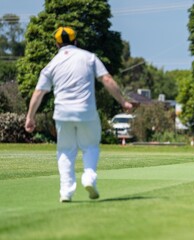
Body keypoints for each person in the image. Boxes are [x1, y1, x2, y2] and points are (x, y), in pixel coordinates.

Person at [25, 26, 133, 202]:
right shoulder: (89, 57)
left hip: (62, 113)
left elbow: (38, 93)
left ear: (57, 44)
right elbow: (106, 79)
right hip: (86, 111)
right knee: (90, 146)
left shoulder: (51, 65)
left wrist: (30, 117)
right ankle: (89, 177)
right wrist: (123, 102)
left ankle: (66, 191)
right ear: (76, 41)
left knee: (66, 150)